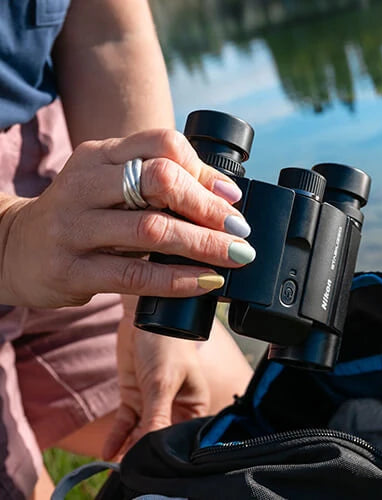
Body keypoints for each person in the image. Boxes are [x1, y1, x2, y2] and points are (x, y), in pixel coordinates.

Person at [0, 2, 255, 498]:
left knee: (245, 439)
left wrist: (150, 303)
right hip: (25, 227)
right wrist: (11, 238)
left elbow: (108, 35)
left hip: (56, 172)